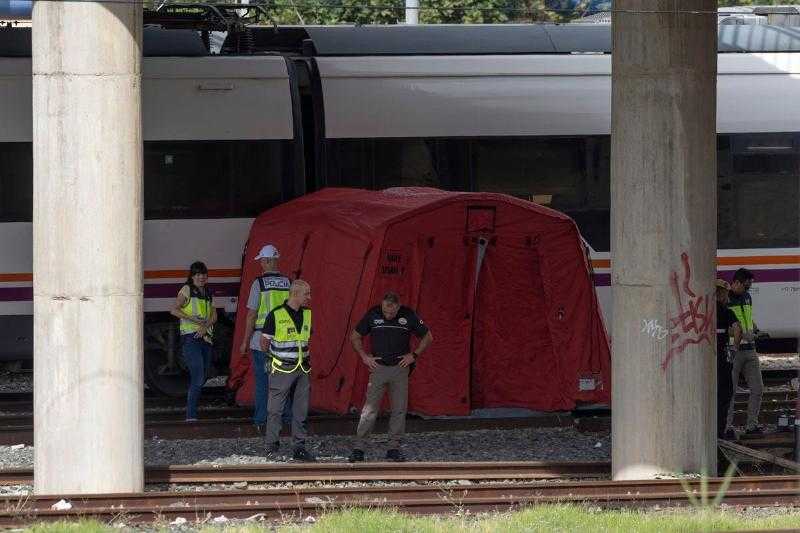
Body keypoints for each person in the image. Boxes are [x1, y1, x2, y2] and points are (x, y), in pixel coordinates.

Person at [348, 291, 433, 463]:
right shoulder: (373, 313)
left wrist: (414, 355)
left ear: (398, 307)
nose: (388, 315)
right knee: (369, 409)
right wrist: (364, 356)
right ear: (382, 304)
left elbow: (428, 336)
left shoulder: (408, 315)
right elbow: (355, 336)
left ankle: (393, 448)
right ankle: (359, 448)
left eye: (392, 312)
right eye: (385, 311)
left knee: (399, 410)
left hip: (400, 369)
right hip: (378, 367)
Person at [238, 244, 291, 434]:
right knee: (284, 381)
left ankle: (261, 421)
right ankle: (286, 419)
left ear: (269, 261)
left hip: (261, 340)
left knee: (262, 382)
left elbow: (251, 315)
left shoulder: (258, 284)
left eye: (262, 260)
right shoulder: (289, 283)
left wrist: (245, 341)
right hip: (284, 341)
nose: (260, 263)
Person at [261, 280, 315, 461]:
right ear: (295, 294)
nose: (309, 297)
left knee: (301, 410)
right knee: (275, 410)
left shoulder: (307, 314)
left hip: (302, 368)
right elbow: (264, 342)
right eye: (306, 294)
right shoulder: (275, 315)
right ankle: (271, 447)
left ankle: (299, 447)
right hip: (282, 368)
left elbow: (305, 338)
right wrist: (273, 358)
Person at [170, 261, 217, 422]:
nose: (201, 277)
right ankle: (191, 416)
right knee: (198, 376)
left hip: (205, 337)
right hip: (191, 337)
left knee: (202, 375)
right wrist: (195, 321)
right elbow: (174, 310)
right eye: (198, 274)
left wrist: (205, 327)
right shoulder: (187, 289)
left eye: (204, 274)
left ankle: (191, 412)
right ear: (192, 276)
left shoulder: (208, 292)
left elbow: (214, 316)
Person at [726, 268, 764, 435]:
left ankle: (752, 426)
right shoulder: (725, 299)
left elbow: (747, 317)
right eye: (746, 286)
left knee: (758, 388)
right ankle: (726, 428)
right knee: (730, 391)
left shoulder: (747, 297)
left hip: (750, 349)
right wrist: (740, 335)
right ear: (736, 282)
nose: (748, 289)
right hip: (733, 350)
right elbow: (723, 325)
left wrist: (754, 328)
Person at [715, 279, 741, 440]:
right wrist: (735, 348)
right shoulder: (726, 311)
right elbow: (738, 329)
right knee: (725, 394)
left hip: (708, 358)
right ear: (722, 294)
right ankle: (719, 432)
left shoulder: (706, 309)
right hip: (723, 359)